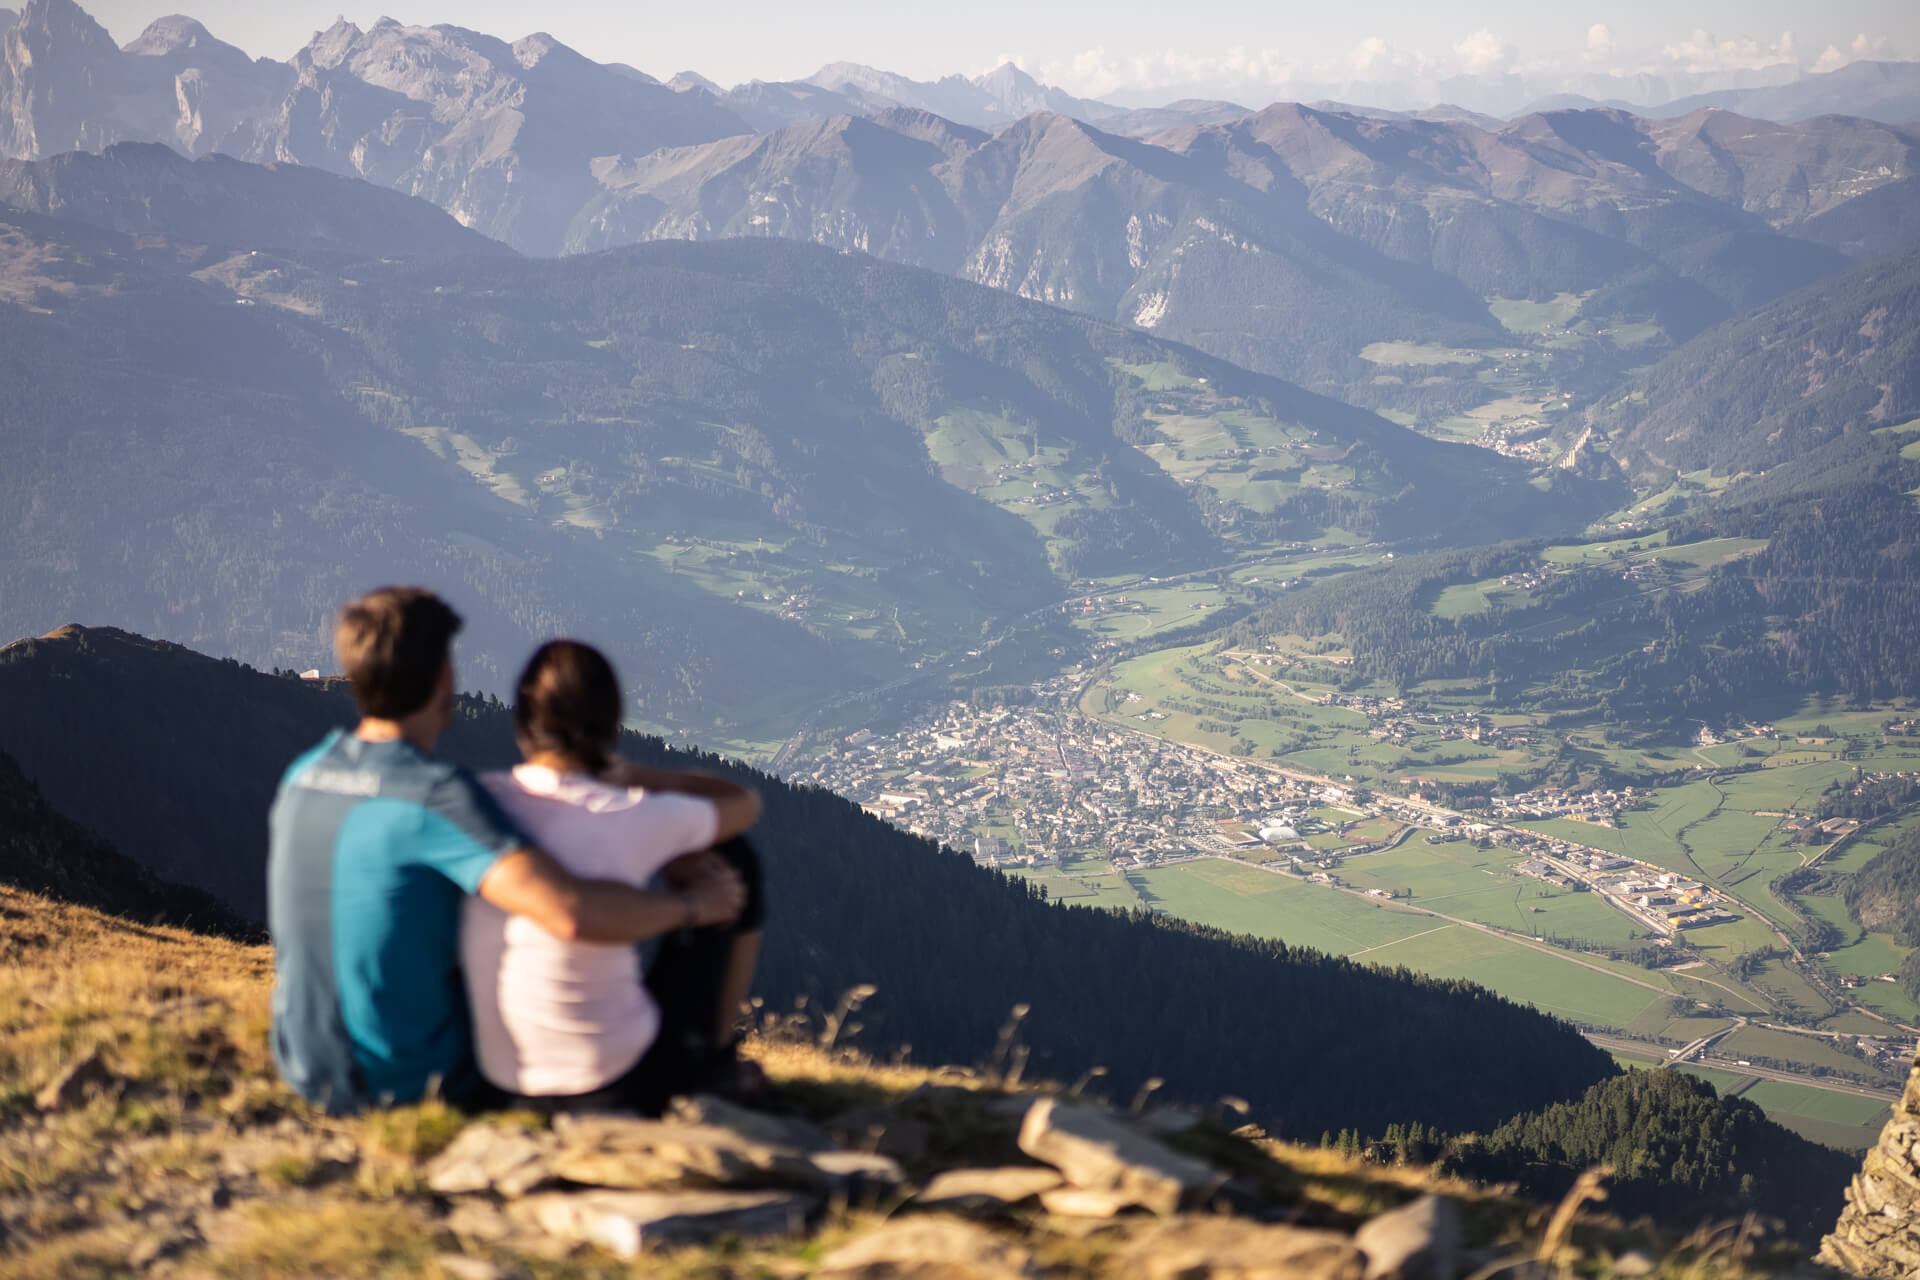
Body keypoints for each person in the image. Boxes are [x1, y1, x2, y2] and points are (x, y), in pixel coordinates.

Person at [266, 586, 755, 1114]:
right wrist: (694, 906)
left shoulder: (305, 774)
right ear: (443, 679)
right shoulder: (434, 797)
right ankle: (703, 1064)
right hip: (401, 1082)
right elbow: (570, 911)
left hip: (304, 1063)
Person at [462, 640, 766, 1114]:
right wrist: (634, 776)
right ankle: (713, 1059)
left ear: (522, 721)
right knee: (732, 855)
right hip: (618, 1080)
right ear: (611, 724)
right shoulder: (628, 811)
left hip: (501, 1077)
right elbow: (744, 803)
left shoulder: (480, 801)